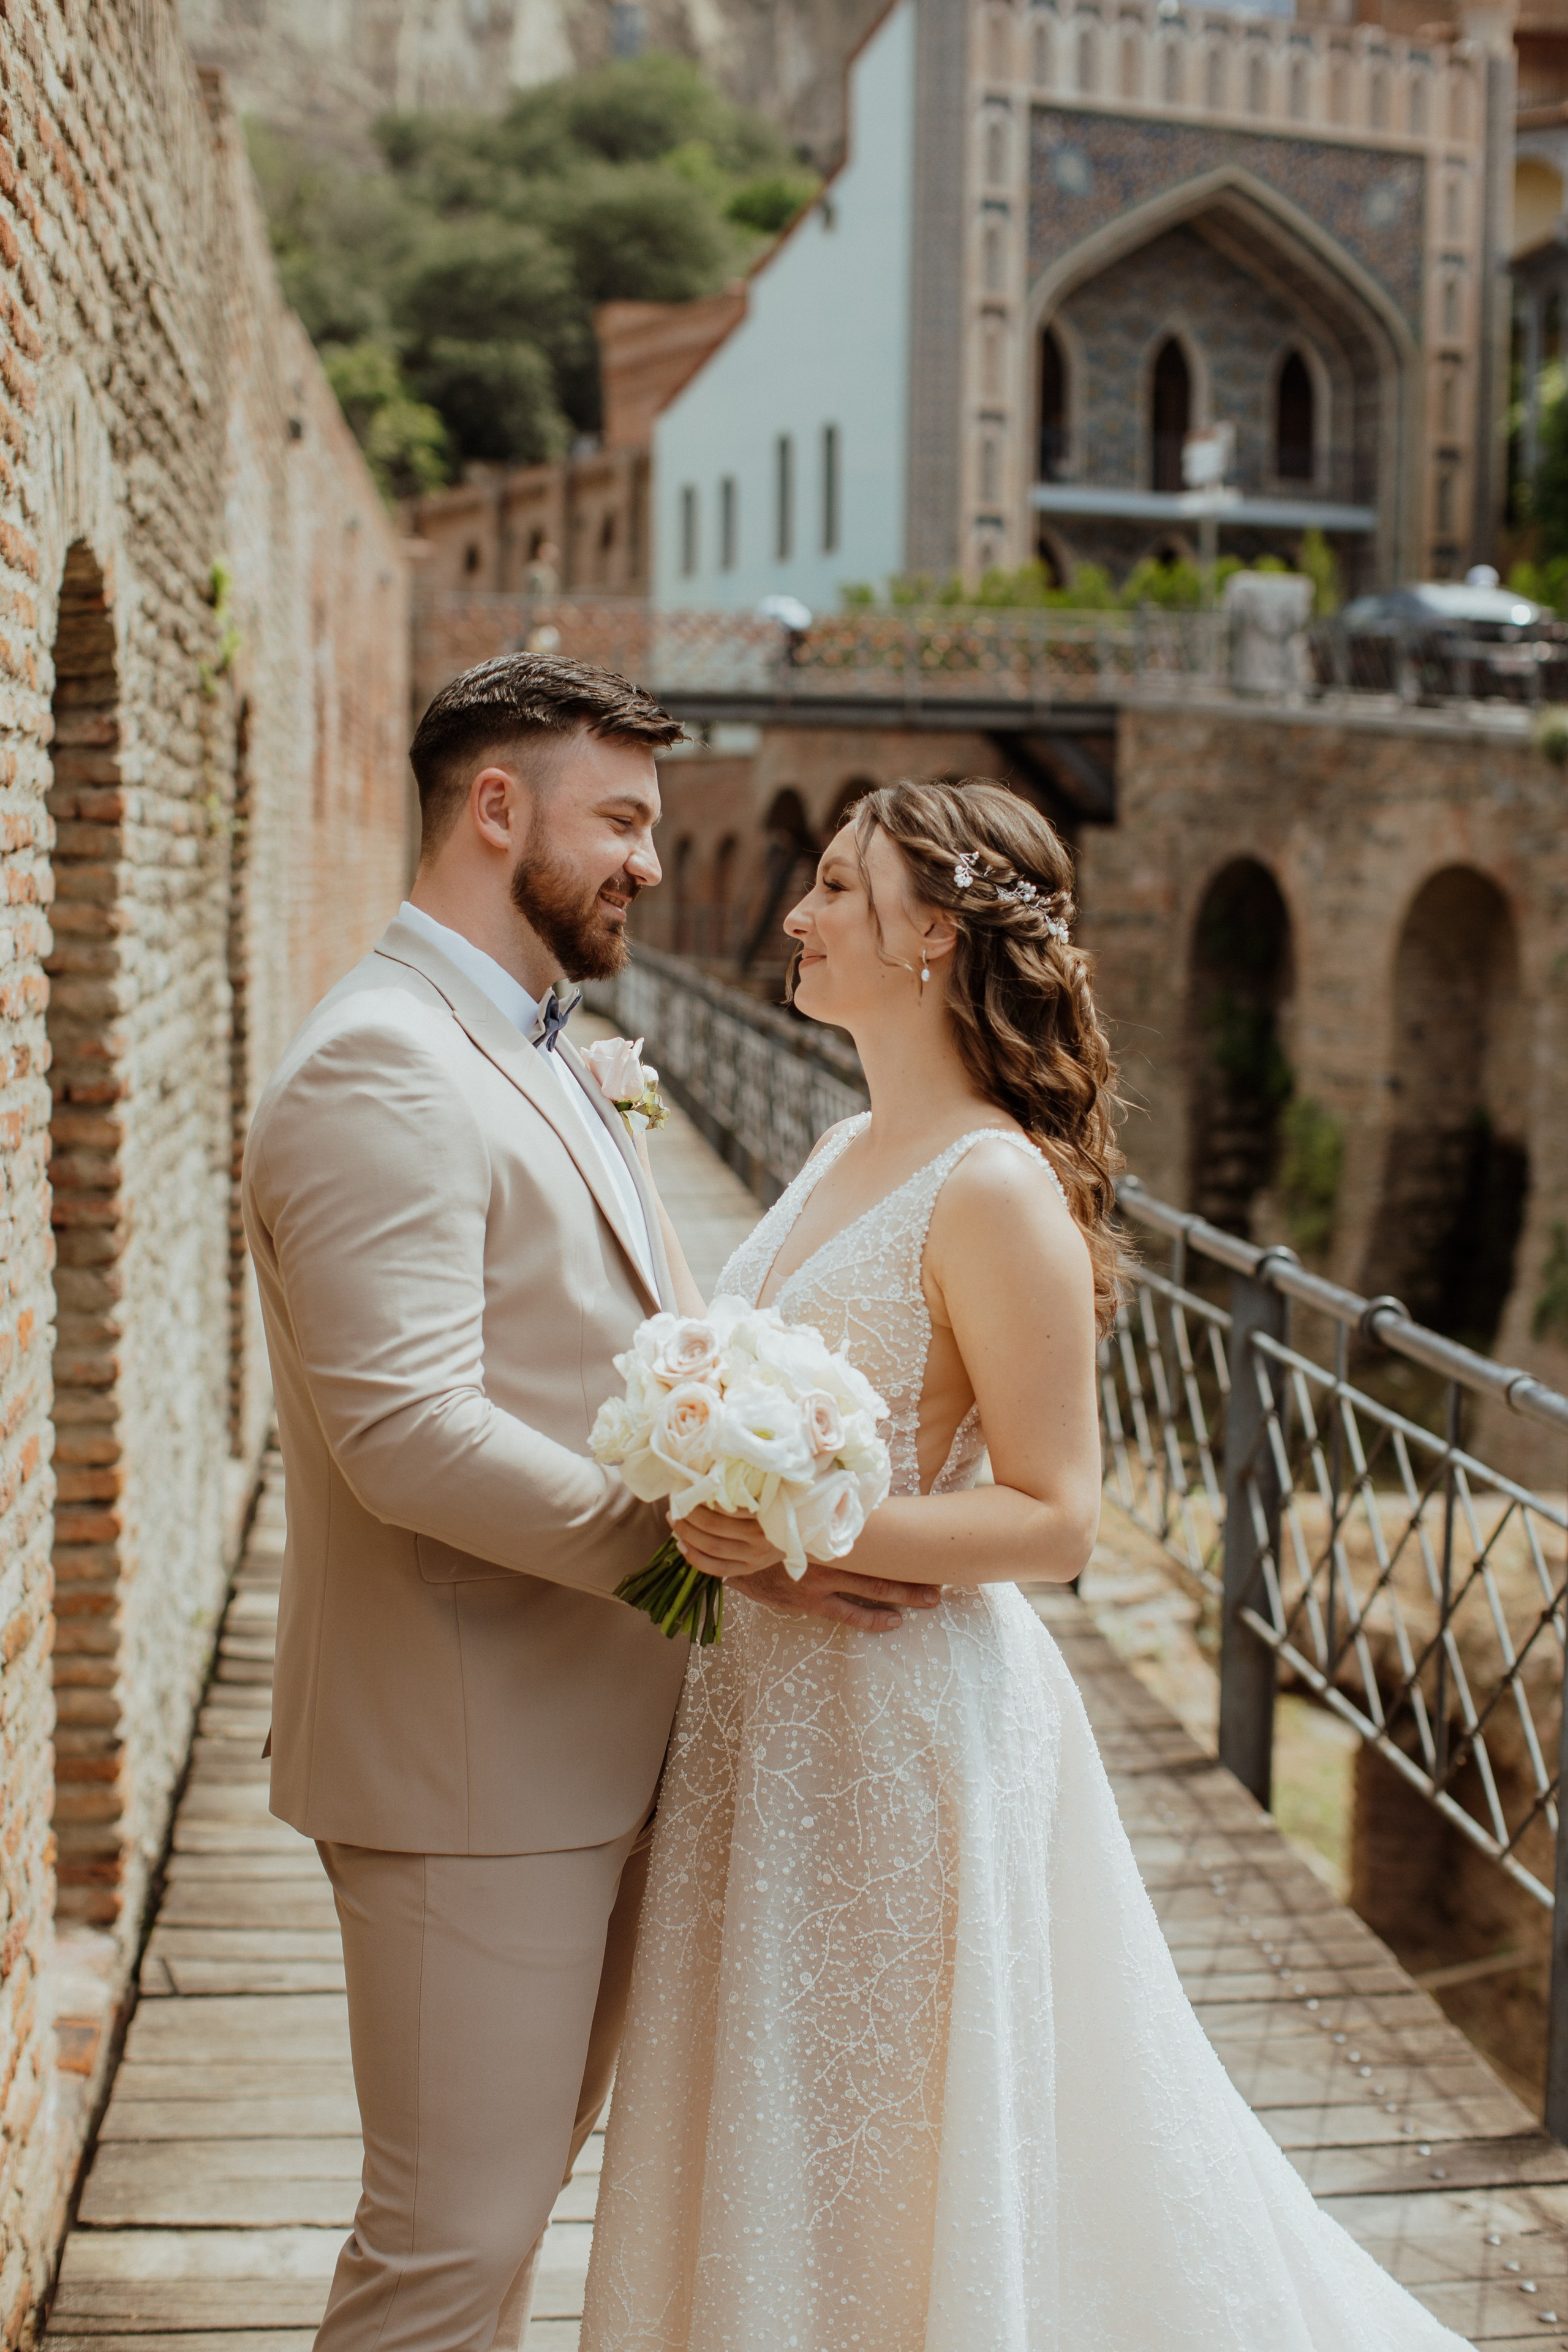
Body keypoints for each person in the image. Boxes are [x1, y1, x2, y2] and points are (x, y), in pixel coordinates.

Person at [579, 778, 1470, 2351]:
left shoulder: (989, 1187)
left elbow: (1056, 1516)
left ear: (931, 933)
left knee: (883, 2156)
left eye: (837, 890)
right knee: (770, 2122)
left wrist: (799, 1529)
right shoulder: (847, 1137)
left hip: (894, 1734)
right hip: (765, 1722)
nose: (795, 915)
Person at [240, 653, 926, 2352]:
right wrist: (708, 1560)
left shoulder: (540, 1048)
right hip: (466, 1763)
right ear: (496, 808)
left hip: (578, 1744)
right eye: (619, 820)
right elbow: (404, 1432)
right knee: (446, 2250)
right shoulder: (379, 1068)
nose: (646, 860)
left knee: (500, 2219)